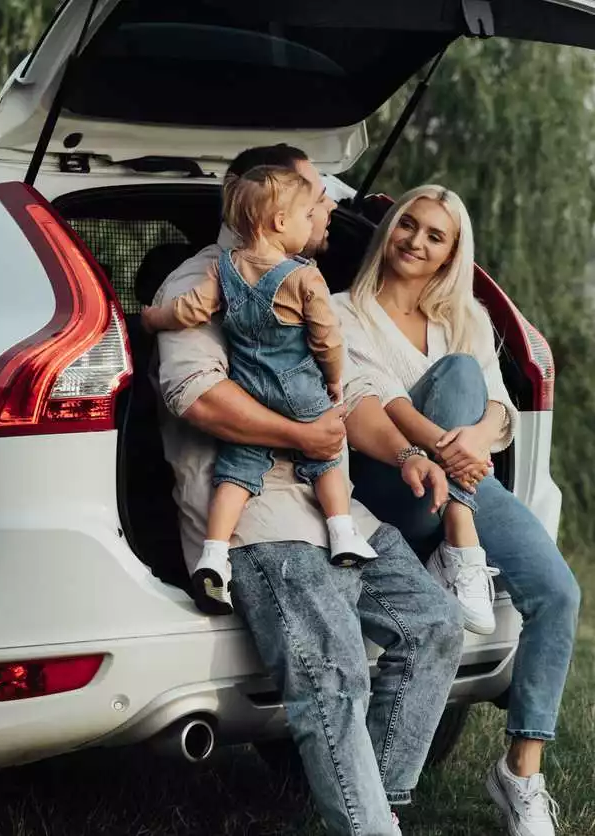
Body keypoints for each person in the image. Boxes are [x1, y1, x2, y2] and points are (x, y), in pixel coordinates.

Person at [153, 145, 464, 836]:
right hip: (258, 514)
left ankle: (369, 814)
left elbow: (346, 393)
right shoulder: (205, 281)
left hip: (335, 509)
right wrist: (302, 438)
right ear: (271, 206)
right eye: (315, 195)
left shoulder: (306, 279)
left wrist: (407, 452)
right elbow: (195, 395)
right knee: (335, 676)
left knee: (435, 626)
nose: (329, 207)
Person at [335, 185, 582, 836]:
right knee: (454, 381)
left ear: (452, 252)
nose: (416, 241)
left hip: (460, 475)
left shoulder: (463, 316)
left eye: (435, 235)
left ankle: (521, 774)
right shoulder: (342, 312)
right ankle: (460, 543)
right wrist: (452, 446)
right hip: (391, 482)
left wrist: (471, 442)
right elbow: (378, 402)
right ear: (387, 229)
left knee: (559, 593)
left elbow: (499, 412)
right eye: (407, 225)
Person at [143, 165, 375, 615]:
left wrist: (151, 318)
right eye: (310, 212)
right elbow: (328, 338)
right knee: (326, 455)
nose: (319, 218)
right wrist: (331, 377)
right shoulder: (305, 277)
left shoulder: (223, 271)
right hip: (298, 388)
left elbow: (190, 311)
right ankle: (343, 530)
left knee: (235, 474)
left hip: (250, 387)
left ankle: (213, 556)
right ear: (281, 223)